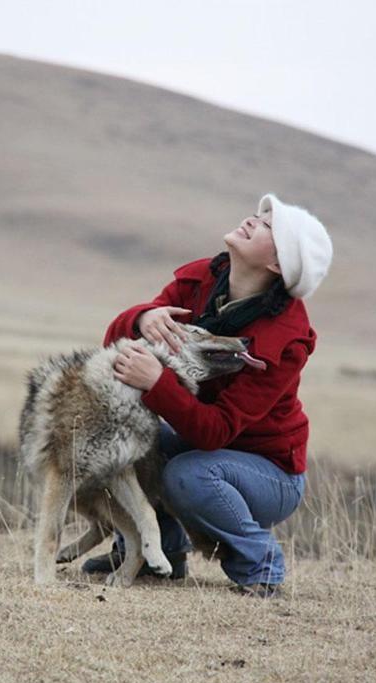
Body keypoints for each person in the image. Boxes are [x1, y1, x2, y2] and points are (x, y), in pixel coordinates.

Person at [82, 192, 333, 598]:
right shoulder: (199, 281)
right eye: (257, 215)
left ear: (277, 264)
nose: (253, 220)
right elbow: (116, 345)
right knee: (124, 441)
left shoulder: (285, 339)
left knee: (189, 473)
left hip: (268, 473)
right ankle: (154, 552)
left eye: (268, 226)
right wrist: (142, 317)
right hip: (201, 448)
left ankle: (262, 567)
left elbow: (215, 433)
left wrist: (156, 383)